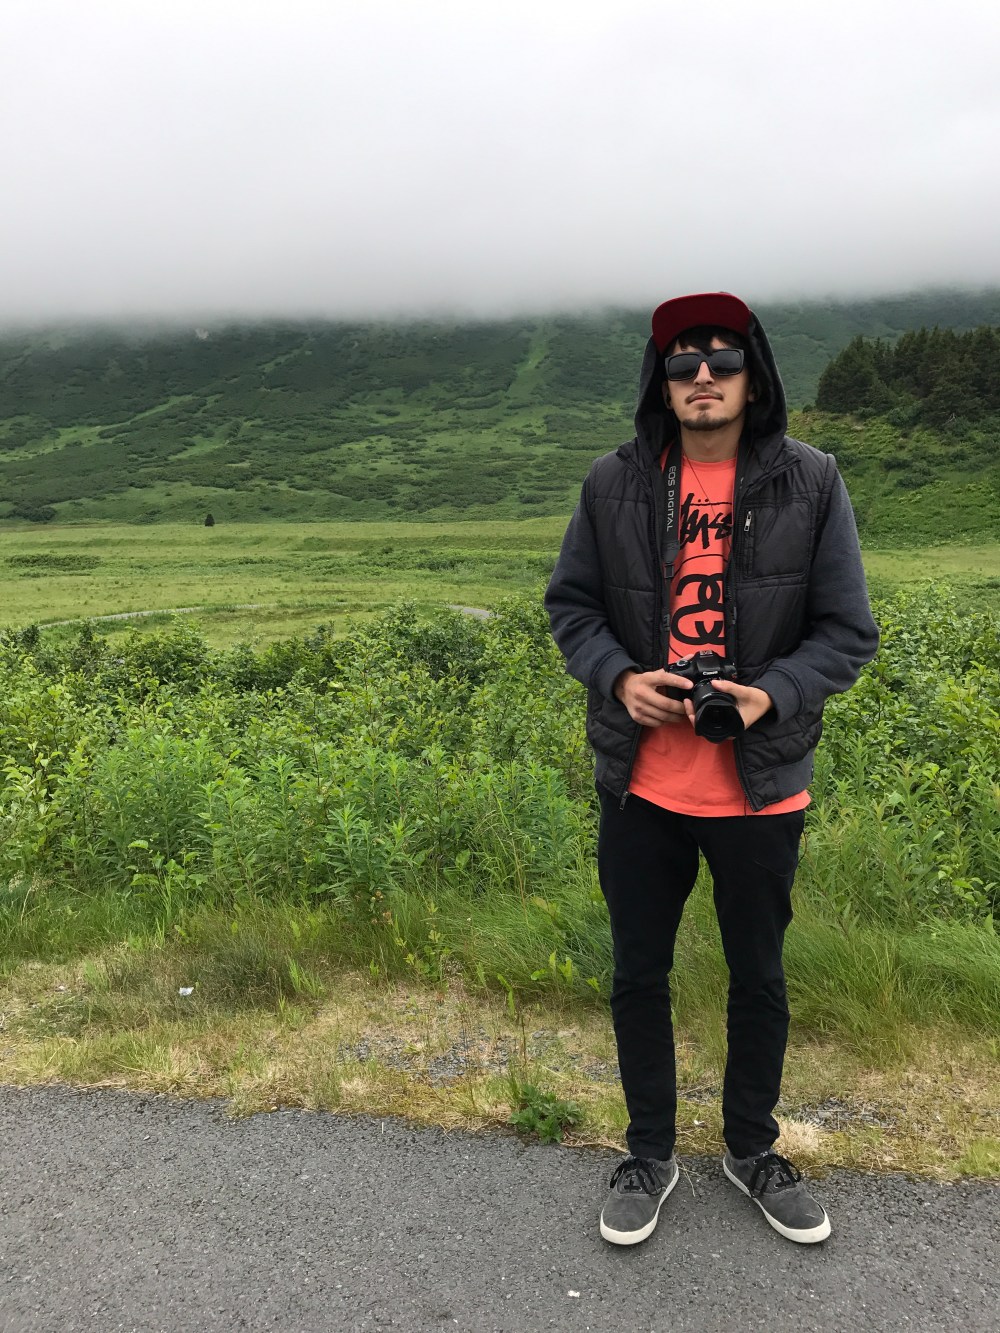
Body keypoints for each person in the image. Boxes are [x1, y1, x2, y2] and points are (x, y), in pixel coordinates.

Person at [545, 292, 879, 1247]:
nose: (702, 375)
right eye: (682, 361)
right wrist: (620, 678)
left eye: (722, 359)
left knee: (758, 975)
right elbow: (572, 606)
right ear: (660, 383)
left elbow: (847, 632)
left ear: (752, 376)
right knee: (638, 973)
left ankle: (751, 1147)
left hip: (759, 784)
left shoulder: (812, 481)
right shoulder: (612, 483)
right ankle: (649, 1152)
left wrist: (770, 695)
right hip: (641, 782)